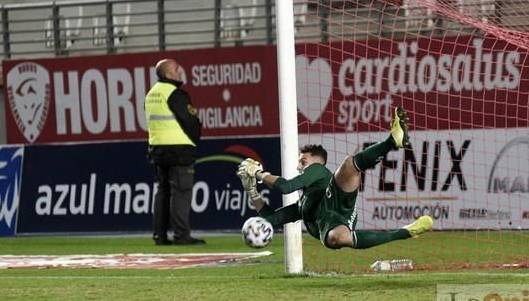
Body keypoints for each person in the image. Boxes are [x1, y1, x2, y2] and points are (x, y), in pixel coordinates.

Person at [237, 107, 433, 250]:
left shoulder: (317, 171)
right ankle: (406, 231)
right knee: (337, 238)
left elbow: (287, 186)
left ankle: (392, 141)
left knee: (349, 164)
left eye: (302, 161)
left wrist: (258, 173)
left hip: (337, 204)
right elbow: (270, 219)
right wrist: (251, 190)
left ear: (316, 162)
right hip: (326, 225)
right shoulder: (303, 205)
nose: (299, 166)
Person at [145, 58, 205, 245]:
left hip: (157, 149)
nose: (180, 72)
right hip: (179, 149)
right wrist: (194, 141)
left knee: (162, 192)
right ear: (168, 74)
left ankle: (159, 236)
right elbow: (190, 121)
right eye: (177, 69)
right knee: (181, 192)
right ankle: (182, 236)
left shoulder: (151, 93)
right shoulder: (175, 94)